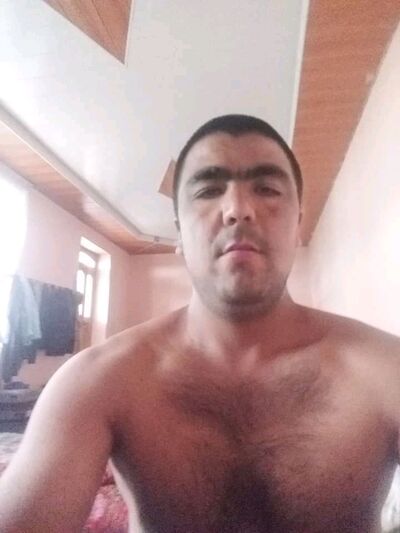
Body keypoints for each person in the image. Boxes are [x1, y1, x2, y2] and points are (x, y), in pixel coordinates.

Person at [0, 114, 399, 533]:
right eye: (209, 190)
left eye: (266, 188)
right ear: (179, 234)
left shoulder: (385, 371)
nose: (238, 209)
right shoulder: (97, 381)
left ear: (298, 223)